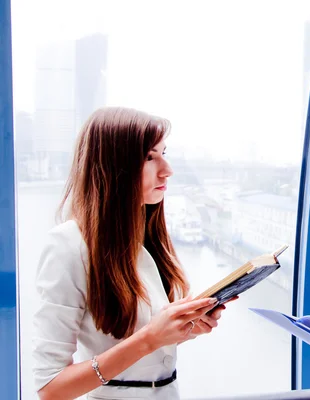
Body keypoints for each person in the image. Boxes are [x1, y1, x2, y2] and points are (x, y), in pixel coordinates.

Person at [32, 107, 228, 400]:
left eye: (164, 152)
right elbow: (50, 389)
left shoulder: (149, 236)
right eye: (150, 157)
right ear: (114, 166)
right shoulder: (68, 246)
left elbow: (145, 347)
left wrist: (183, 328)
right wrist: (150, 339)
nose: (167, 169)